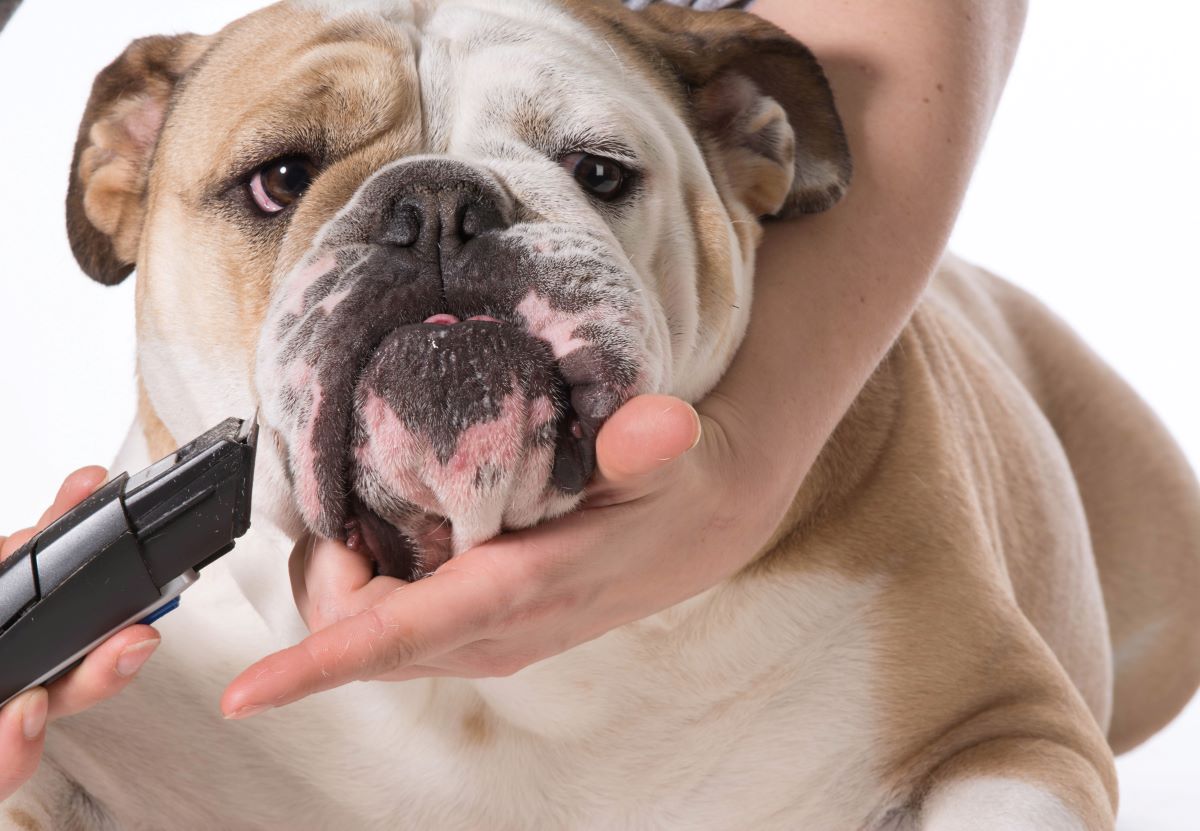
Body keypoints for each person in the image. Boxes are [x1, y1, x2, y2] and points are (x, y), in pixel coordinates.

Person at [0, 0, 1028, 794]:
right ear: (123, 176)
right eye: (278, 180)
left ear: (743, 148)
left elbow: (1007, 744)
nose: (436, 233)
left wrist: (757, 456)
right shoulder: (115, 642)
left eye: (592, 169)